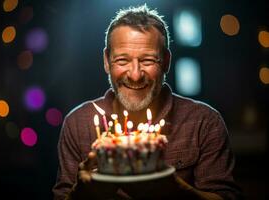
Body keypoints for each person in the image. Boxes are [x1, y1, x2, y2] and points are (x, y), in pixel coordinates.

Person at [52, 4, 242, 200]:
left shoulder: (204, 121)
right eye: (122, 60)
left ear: (166, 61)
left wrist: (175, 190)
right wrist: (82, 193)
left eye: (148, 61)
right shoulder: (77, 124)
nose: (135, 75)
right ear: (107, 61)